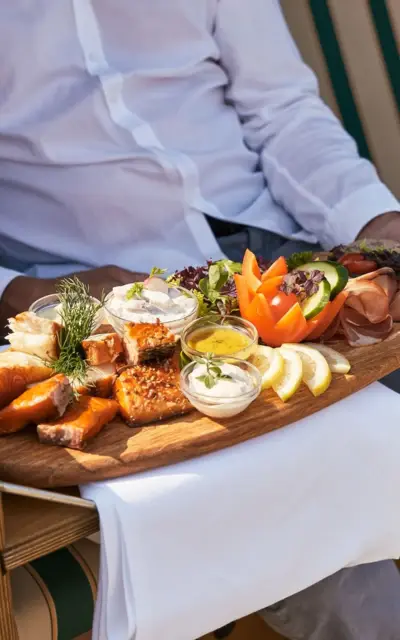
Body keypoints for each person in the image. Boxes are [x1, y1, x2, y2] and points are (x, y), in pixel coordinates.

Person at [0, 1, 399, 638]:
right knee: (301, 513)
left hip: (275, 249)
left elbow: (283, 111)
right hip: (96, 305)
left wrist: (375, 222)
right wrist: (20, 289)